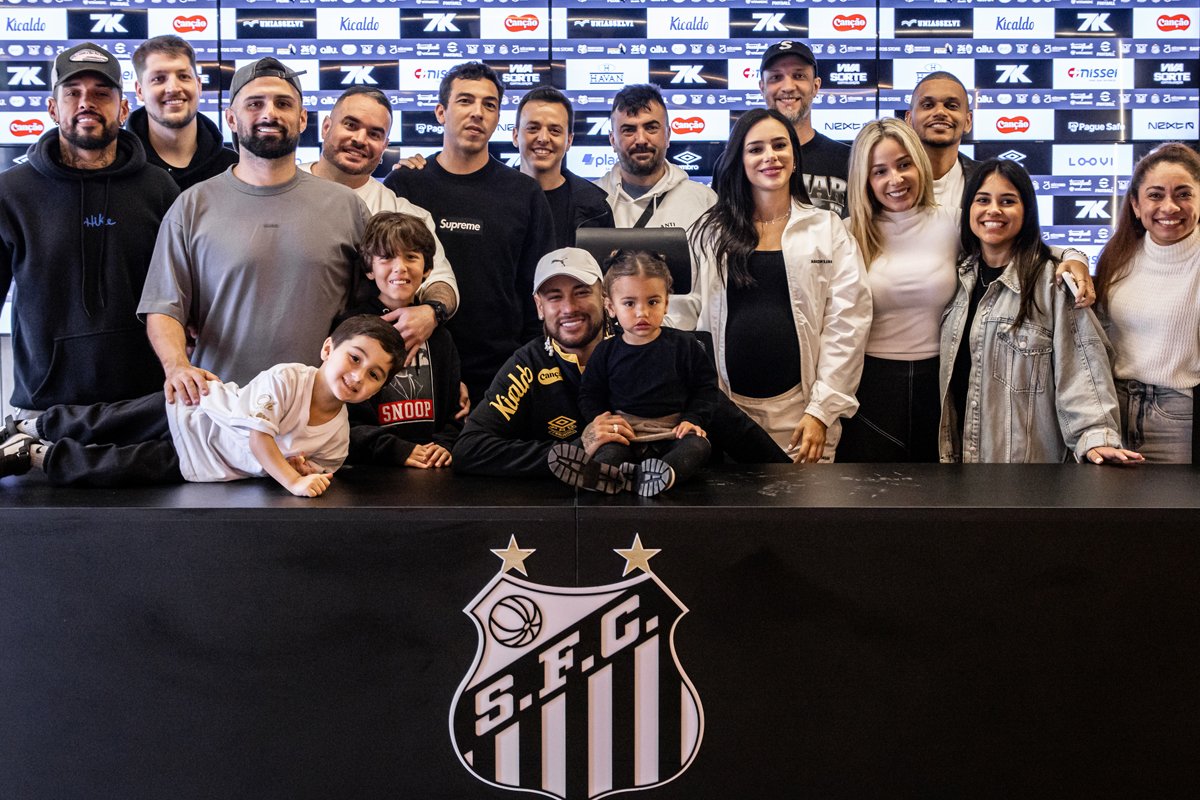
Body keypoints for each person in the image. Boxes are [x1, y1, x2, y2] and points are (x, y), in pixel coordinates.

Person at [139, 57, 371, 400]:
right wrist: (176, 366)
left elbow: (374, 306)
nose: (269, 113)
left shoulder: (347, 206)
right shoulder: (191, 206)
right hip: (217, 407)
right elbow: (164, 306)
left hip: (316, 411)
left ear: (302, 118)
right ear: (232, 118)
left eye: (283, 103)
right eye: (255, 103)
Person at [452, 247, 786, 478]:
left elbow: (730, 424)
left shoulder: (664, 349)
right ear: (539, 306)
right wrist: (579, 449)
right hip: (580, 521)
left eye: (581, 291)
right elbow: (470, 448)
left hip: (670, 515)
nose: (568, 308)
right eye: (554, 297)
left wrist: (799, 481)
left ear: (604, 299)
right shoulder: (529, 363)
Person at [0, 316, 405, 496]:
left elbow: (317, 467)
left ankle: (33, 456)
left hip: (201, 464)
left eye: (374, 375)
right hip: (193, 410)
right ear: (328, 348)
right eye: (355, 358)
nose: (358, 376)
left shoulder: (338, 437)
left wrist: (306, 469)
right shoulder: (288, 378)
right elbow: (260, 440)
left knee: (112, 467)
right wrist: (294, 480)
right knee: (105, 422)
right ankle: (32, 427)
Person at [0, 42, 180, 417]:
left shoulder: (158, 188)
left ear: (125, 108)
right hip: (44, 407)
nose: (87, 102)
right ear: (52, 108)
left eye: (101, 93)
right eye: (73, 93)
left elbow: (179, 295)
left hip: (146, 403)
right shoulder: (11, 192)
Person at [691, 109, 872, 462]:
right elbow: (688, 318)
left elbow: (847, 324)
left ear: (794, 158)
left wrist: (821, 411)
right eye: (755, 149)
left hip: (803, 415)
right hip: (726, 413)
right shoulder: (711, 233)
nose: (769, 156)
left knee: (801, 515)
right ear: (739, 160)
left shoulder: (827, 228)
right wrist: (699, 402)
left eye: (779, 145)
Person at [939, 159, 1142, 465]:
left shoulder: (1055, 282)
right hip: (955, 465)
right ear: (968, 208)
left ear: (1027, 211)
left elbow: (1082, 369)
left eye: (1008, 201)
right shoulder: (955, 277)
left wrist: (1096, 437)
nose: (993, 210)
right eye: (983, 200)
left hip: (1026, 474)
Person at [383, 62, 555, 405]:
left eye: (489, 105)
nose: (477, 112)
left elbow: (539, 291)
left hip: (502, 373)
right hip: (417, 367)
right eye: (465, 101)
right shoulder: (405, 184)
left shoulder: (524, 193)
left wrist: (530, 367)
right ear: (441, 112)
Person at [300, 85, 459, 359]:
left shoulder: (404, 213)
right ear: (326, 126)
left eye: (375, 134)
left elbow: (443, 284)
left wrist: (431, 312)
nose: (360, 139)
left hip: (360, 382)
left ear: (385, 146)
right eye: (351, 125)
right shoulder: (281, 188)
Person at [837, 119, 957, 462]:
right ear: (865, 180)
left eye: (904, 164)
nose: (896, 179)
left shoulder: (953, 222)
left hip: (939, 384)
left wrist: (1073, 257)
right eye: (880, 171)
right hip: (870, 387)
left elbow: (1027, 248)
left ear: (919, 163)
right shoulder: (846, 233)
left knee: (939, 501)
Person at [551, 251, 715, 496]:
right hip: (626, 433)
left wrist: (693, 419)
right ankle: (600, 476)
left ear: (667, 302)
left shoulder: (685, 346)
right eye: (630, 303)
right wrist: (601, 420)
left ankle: (661, 476)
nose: (642, 313)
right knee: (610, 452)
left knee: (698, 447)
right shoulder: (605, 352)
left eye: (653, 302)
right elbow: (589, 395)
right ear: (611, 307)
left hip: (672, 432)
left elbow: (706, 390)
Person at [1094, 142, 1200, 463]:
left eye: (1183, 194)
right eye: (1155, 195)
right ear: (1136, 206)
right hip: (1114, 410)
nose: (1169, 207)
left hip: (1179, 417)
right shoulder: (1117, 254)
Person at [336, 212, 464, 469]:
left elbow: (455, 413)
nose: (400, 267)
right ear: (369, 269)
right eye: (387, 257)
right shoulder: (351, 329)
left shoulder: (440, 336)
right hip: (369, 470)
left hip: (432, 466)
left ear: (427, 269)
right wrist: (398, 450)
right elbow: (342, 416)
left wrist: (445, 445)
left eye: (411, 257)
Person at [595, 84, 716, 230]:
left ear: (667, 135)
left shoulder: (704, 200)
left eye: (651, 128)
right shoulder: (590, 199)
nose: (641, 140)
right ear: (612, 140)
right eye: (629, 130)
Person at [128, 35, 238, 192]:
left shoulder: (235, 170)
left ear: (198, 85)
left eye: (183, 77)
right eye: (159, 79)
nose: (173, 88)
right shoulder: (119, 166)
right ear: (140, 91)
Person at [758, 40, 850, 217]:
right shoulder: (736, 163)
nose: (788, 87)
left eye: (799, 76)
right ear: (762, 87)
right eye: (776, 77)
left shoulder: (849, 160)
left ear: (815, 86)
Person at [514, 85, 614, 247]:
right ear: (515, 136)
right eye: (533, 128)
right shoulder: (492, 198)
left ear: (569, 141)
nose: (543, 138)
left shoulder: (596, 206)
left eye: (554, 130)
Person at [904, 71, 977, 209]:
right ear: (909, 120)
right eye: (927, 105)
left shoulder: (988, 180)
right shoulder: (882, 182)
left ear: (968, 121)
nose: (940, 112)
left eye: (952, 106)